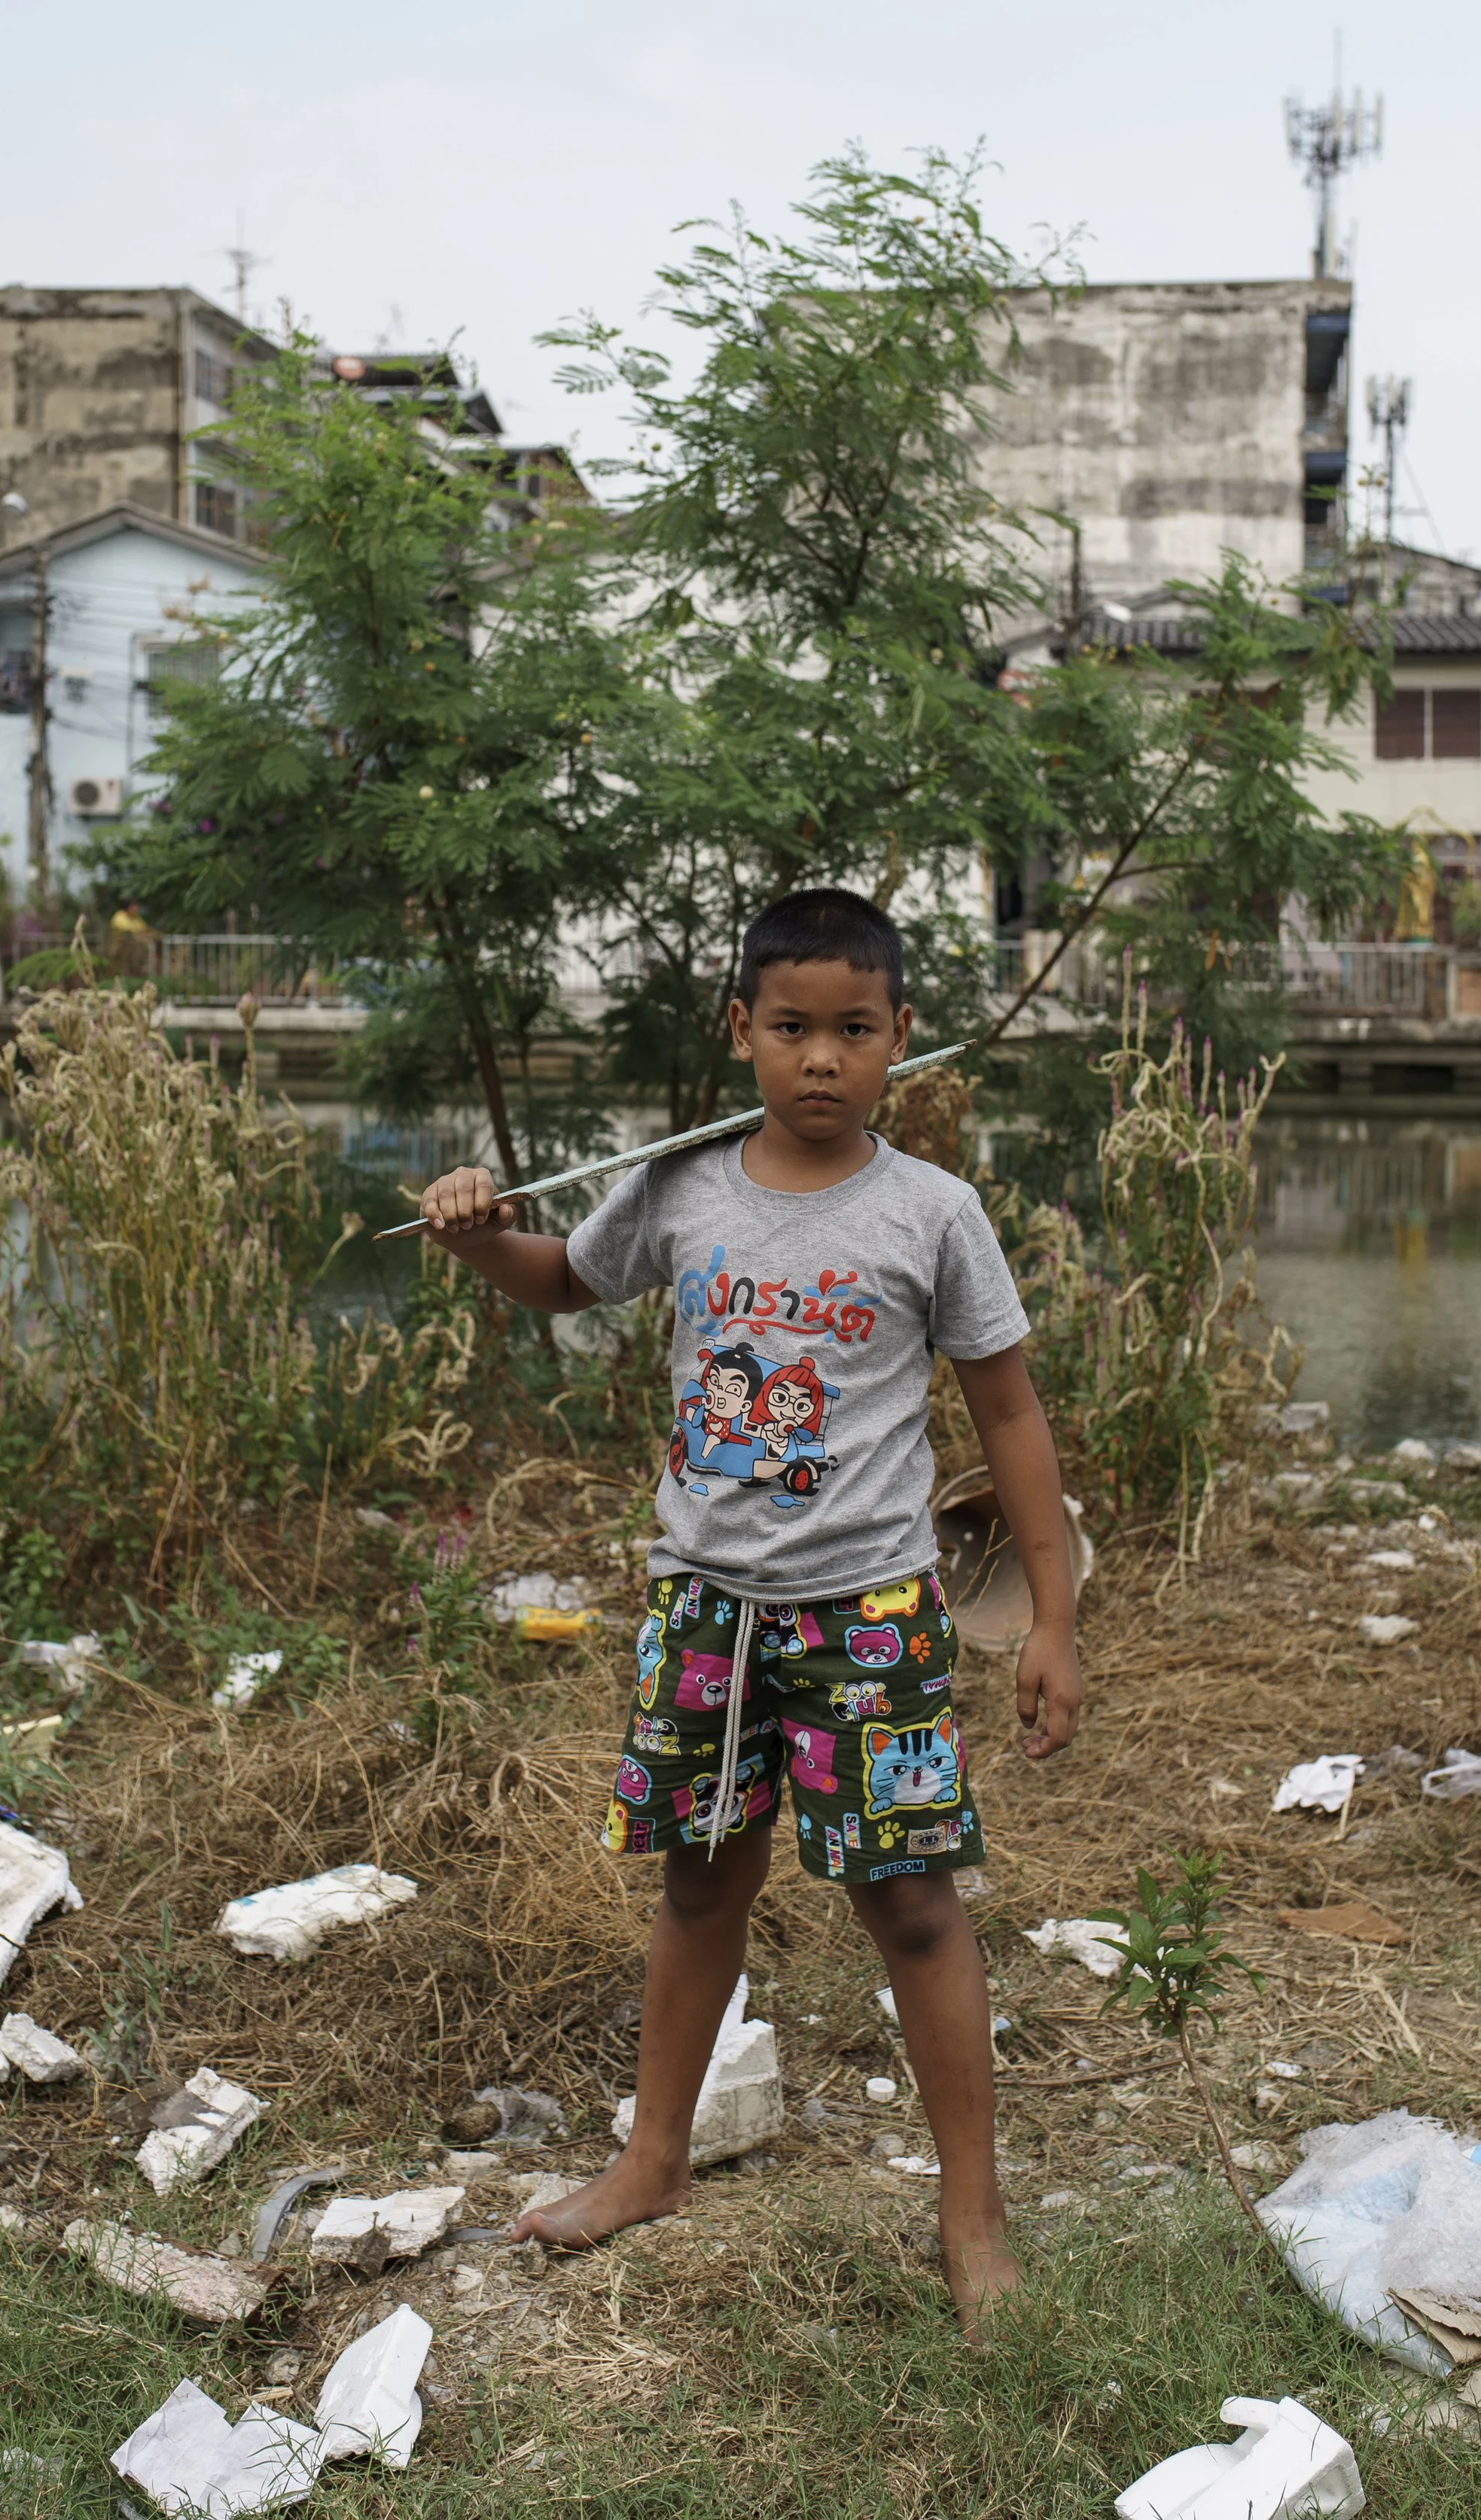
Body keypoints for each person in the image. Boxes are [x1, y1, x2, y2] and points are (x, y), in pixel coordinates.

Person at [417, 886, 1082, 2332]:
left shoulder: (933, 1213)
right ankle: (652, 2160)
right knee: (700, 1885)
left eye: (855, 1029)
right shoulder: (682, 1185)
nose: (823, 1059)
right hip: (706, 1614)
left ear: (903, 1036)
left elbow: (1010, 1408)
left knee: (911, 1905)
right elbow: (558, 1281)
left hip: (872, 1620)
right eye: (792, 1028)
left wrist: (1052, 1613)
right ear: (742, 1033)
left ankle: (975, 2221)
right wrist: (478, 1232)